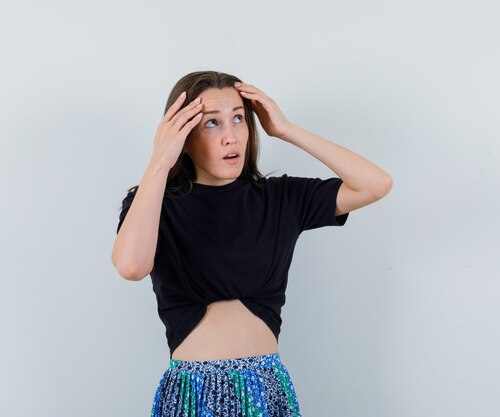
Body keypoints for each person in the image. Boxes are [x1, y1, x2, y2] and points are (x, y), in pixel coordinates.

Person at [111, 70, 392, 416]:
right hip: (191, 396)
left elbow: (375, 184)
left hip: (265, 391)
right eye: (211, 123)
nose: (231, 136)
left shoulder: (280, 198)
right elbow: (131, 266)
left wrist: (287, 130)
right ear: (182, 134)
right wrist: (159, 161)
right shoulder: (154, 203)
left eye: (239, 119)